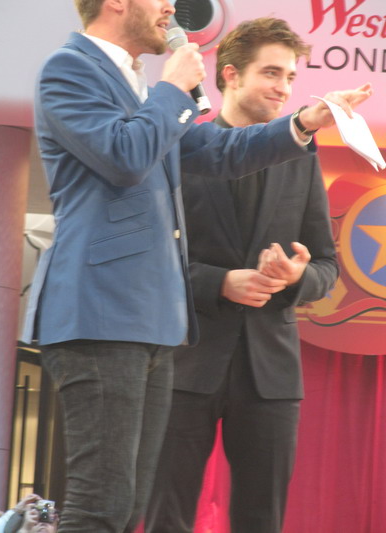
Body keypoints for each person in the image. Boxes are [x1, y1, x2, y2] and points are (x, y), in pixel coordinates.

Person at [21, 0, 372, 531]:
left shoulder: (140, 88)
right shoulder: (70, 69)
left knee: (127, 508)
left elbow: (217, 151)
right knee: (101, 506)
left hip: (153, 325)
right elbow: (123, 157)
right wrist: (172, 88)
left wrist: (304, 122)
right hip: (101, 312)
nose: (171, 8)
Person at [144, 17, 340, 533]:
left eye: (291, 77)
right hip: (185, 364)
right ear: (230, 74)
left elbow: (326, 266)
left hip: (270, 375)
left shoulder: (301, 159)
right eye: (271, 73)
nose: (284, 88)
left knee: (261, 521)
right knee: (166, 517)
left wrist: (296, 277)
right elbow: (148, 261)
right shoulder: (180, 148)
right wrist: (220, 283)